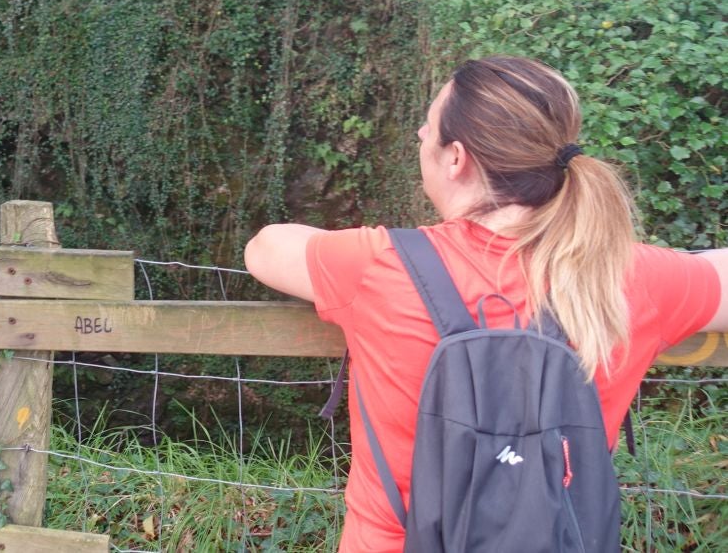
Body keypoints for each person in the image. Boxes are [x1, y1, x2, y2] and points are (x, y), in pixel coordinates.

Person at [245, 55, 727, 553]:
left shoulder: (378, 265)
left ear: (456, 158)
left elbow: (265, 247)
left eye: (427, 128)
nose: (419, 134)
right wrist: (680, 262)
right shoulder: (631, 275)